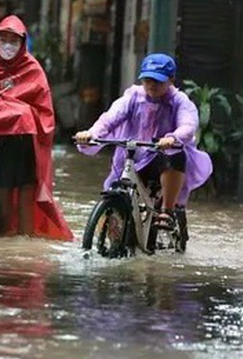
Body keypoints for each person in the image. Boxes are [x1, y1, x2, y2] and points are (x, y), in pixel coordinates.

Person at [0, 15, 72, 240]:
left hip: (24, 145)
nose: (8, 45)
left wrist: (17, 113)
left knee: (26, 193)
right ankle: (5, 240)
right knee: (0, 191)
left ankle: (24, 244)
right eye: (3, 39)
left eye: (13, 40)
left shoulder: (33, 70)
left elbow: (45, 113)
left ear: (22, 43)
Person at [74, 53, 213, 232]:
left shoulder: (179, 101)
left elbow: (188, 125)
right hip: (132, 157)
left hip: (162, 158)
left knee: (176, 154)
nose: (152, 85)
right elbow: (109, 119)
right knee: (113, 196)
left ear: (171, 80)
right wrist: (91, 134)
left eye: (158, 81)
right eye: (147, 80)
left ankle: (167, 211)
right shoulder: (132, 97)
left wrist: (172, 138)